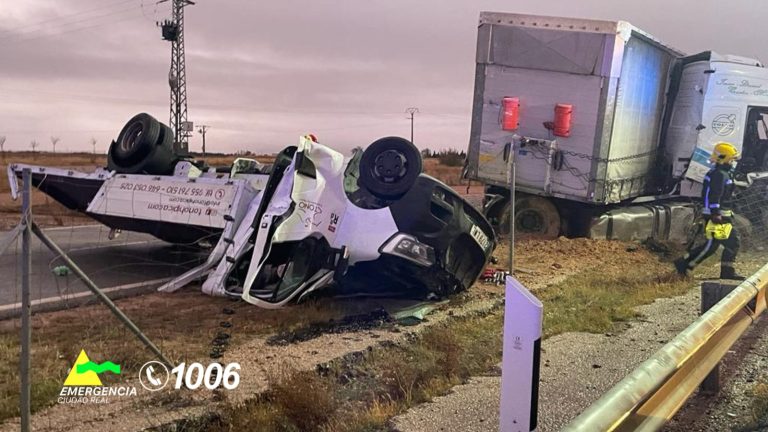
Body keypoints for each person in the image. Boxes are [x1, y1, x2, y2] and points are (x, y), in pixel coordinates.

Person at [674, 142, 745, 280]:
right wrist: (715, 212)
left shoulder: (721, 173)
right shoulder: (719, 174)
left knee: (714, 244)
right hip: (718, 216)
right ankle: (686, 264)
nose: (733, 162)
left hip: (720, 215)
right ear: (724, 158)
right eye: (731, 159)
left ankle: (686, 263)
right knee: (731, 242)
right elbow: (714, 195)